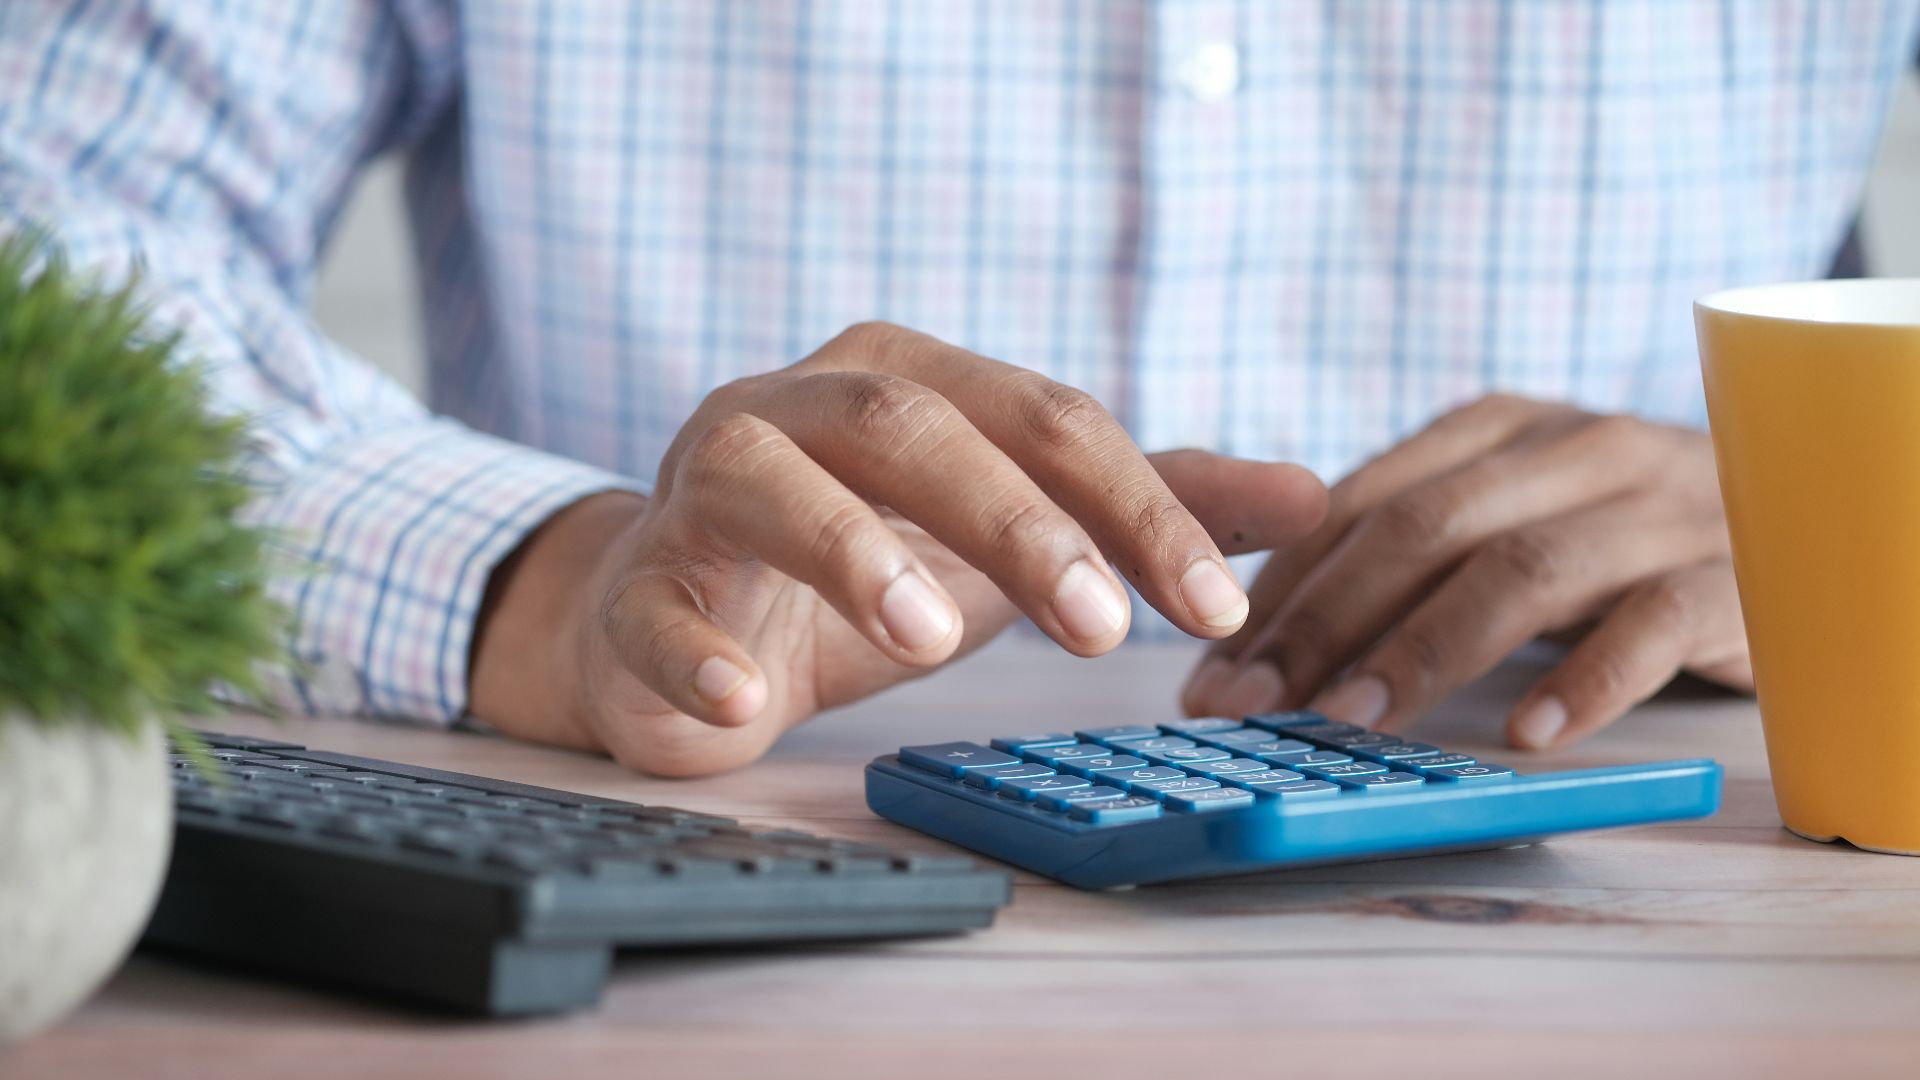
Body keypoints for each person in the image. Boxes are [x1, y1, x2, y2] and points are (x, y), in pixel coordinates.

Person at [5, 2, 1915, 777]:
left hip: (1680, 936)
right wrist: (528, 577)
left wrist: (1871, 518)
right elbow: (41, 229)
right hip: (685, 915)